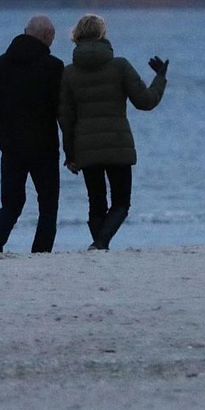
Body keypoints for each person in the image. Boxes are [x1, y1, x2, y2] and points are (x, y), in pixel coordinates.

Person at [59, 14, 168, 251]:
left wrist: (70, 154)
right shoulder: (120, 66)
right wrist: (160, 78)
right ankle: (100, 244)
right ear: (102, 34)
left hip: (86, 147)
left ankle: (100, 246)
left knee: (95, 202)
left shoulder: (69, 73)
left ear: (77, 36)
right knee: (121, 202)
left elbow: (66, 118)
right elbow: (145, 101)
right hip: (118, 143)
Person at [0, 15, 64, 254]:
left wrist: (0, 137)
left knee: (11, 203)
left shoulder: (1, 64)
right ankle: (41, 251)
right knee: (48, 204)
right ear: (47, 36)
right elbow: (63, 111)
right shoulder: (53, 67)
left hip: (11, 146)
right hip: (44, 146)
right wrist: (71, 147)